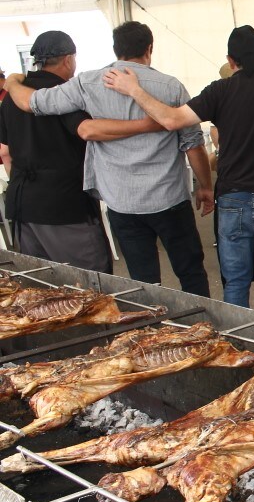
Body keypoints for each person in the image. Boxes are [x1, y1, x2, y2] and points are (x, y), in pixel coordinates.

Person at [102, 25, 254, 318]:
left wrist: (134, 89)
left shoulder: (219, 90)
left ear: (230, 61)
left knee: (236, 281)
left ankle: (237, 347)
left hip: (233, 200)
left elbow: (172, 119)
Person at [4, 21, 213, 297]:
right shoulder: (171, 86)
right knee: (190, 271)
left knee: (142, 280)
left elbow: (35, 103)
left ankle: (151, 331)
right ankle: (200, 329)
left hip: (120, 202)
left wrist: (12, 81)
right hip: (169, 198)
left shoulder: (87, 84)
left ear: (116, 49)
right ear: (149, 49)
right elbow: (193, 144)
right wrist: (206, 187)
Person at [0, 31, 156, 273]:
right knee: (90, 286)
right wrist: (147, 124)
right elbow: (88, 130)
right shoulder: (65, 93)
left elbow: (5, 151)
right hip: (65, 206)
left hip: (23, 206)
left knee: (42, 287)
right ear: (68, 60)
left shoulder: (13, 96)